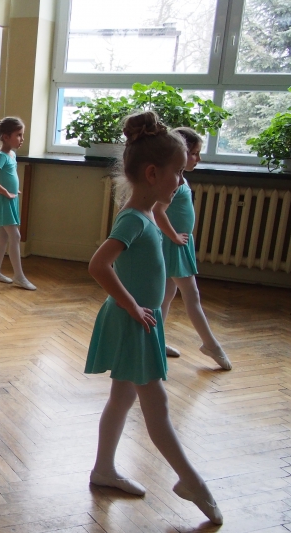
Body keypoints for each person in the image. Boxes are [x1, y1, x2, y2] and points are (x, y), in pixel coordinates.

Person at [85, 111, 223, 525]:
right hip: (135, 322)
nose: (181, 180)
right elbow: (98, 265)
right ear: (152, 174)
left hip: (139, 321)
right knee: (156, 406)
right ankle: (192, 482)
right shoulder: (133, 218)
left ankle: (103, 468)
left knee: (122, 398)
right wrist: (131, 305)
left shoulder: (146, 215)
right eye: (177, 172)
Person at [154, 127, 231, 370]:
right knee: (191, 295)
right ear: (180, 153)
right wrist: (174, 236)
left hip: (177, 244)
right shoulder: (174, 181)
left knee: (167, 295)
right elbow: (157, 212)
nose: (198, 158)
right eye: (195, 153)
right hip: (173, 245)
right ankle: (211, 345)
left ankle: (155, 341)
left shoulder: (180, 179)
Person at [0, 117, 36, 290]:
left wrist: (12, 190)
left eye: (22, 135)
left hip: (9, 199)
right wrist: (5, 191)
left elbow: (8, 176)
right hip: (3, 200)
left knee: (4, 237)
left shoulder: (11, 154)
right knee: (15, 236)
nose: (22, 139)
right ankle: (19, 276)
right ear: (6, 137)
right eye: (18, 135)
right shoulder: (1, 156)